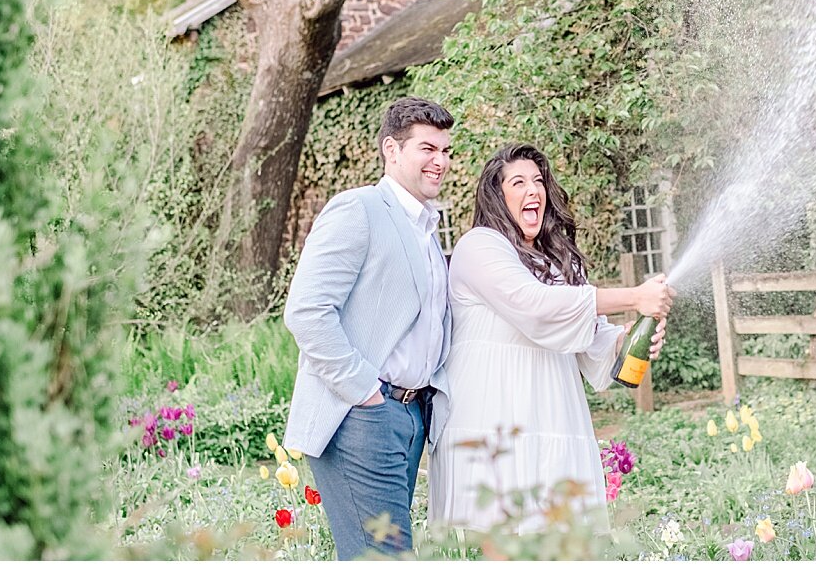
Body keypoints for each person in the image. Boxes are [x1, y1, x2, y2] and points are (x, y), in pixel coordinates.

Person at [428, 143, 674, 535]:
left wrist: (624, 339)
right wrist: (634, 296)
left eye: (539, 182)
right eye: (519, 182)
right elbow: (536, 306)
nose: (534, 191)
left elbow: (588, 341)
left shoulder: (557, 260)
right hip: (492, 416)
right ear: (497, 194)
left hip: (555, 415)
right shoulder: (479, 246)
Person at [283, 97, 455, 559]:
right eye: (427, 149)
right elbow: (306, 311)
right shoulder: (357, 210)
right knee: (383, 558)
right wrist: (366, 393)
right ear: (391, 150)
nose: (440, 161)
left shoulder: (426, 229)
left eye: (445, 150)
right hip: (361, 416)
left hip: (410, 415)